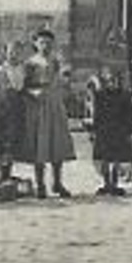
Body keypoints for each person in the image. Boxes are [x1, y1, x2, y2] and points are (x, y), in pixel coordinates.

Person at [23, 28, 75, 198]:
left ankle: (57, 183)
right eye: (42, 42)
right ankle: (40, 185)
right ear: (35, 44)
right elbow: (24, 86)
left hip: (54, 103)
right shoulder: (31, 63)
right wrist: (33, 92)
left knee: (57, 142)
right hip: (38, 105)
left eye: (48, 43)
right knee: (41, 143)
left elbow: (64, 81)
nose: (45, 46)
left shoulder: (56, 61)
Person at [89, 65, 132, 196]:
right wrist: (94, 129)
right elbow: (96, 113)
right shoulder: (100, 96)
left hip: (120, 130)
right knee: (104, 158)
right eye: (109, 81)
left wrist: (129, 129)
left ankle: (115, 184)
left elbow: (130, 114)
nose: (112, 84)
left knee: (117, 159)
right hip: (104, 130)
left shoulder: (125, 96)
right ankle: (106, 183)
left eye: (114, 81)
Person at [0, 40, 29, 187]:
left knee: (14, 142)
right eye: (11, 51)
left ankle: (9, 171)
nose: (14, 55)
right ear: (5, 53)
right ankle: (3, 174)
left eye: (17, 52)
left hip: (18, 109)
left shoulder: (23, 70)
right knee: (4, 142)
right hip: (4, 111)